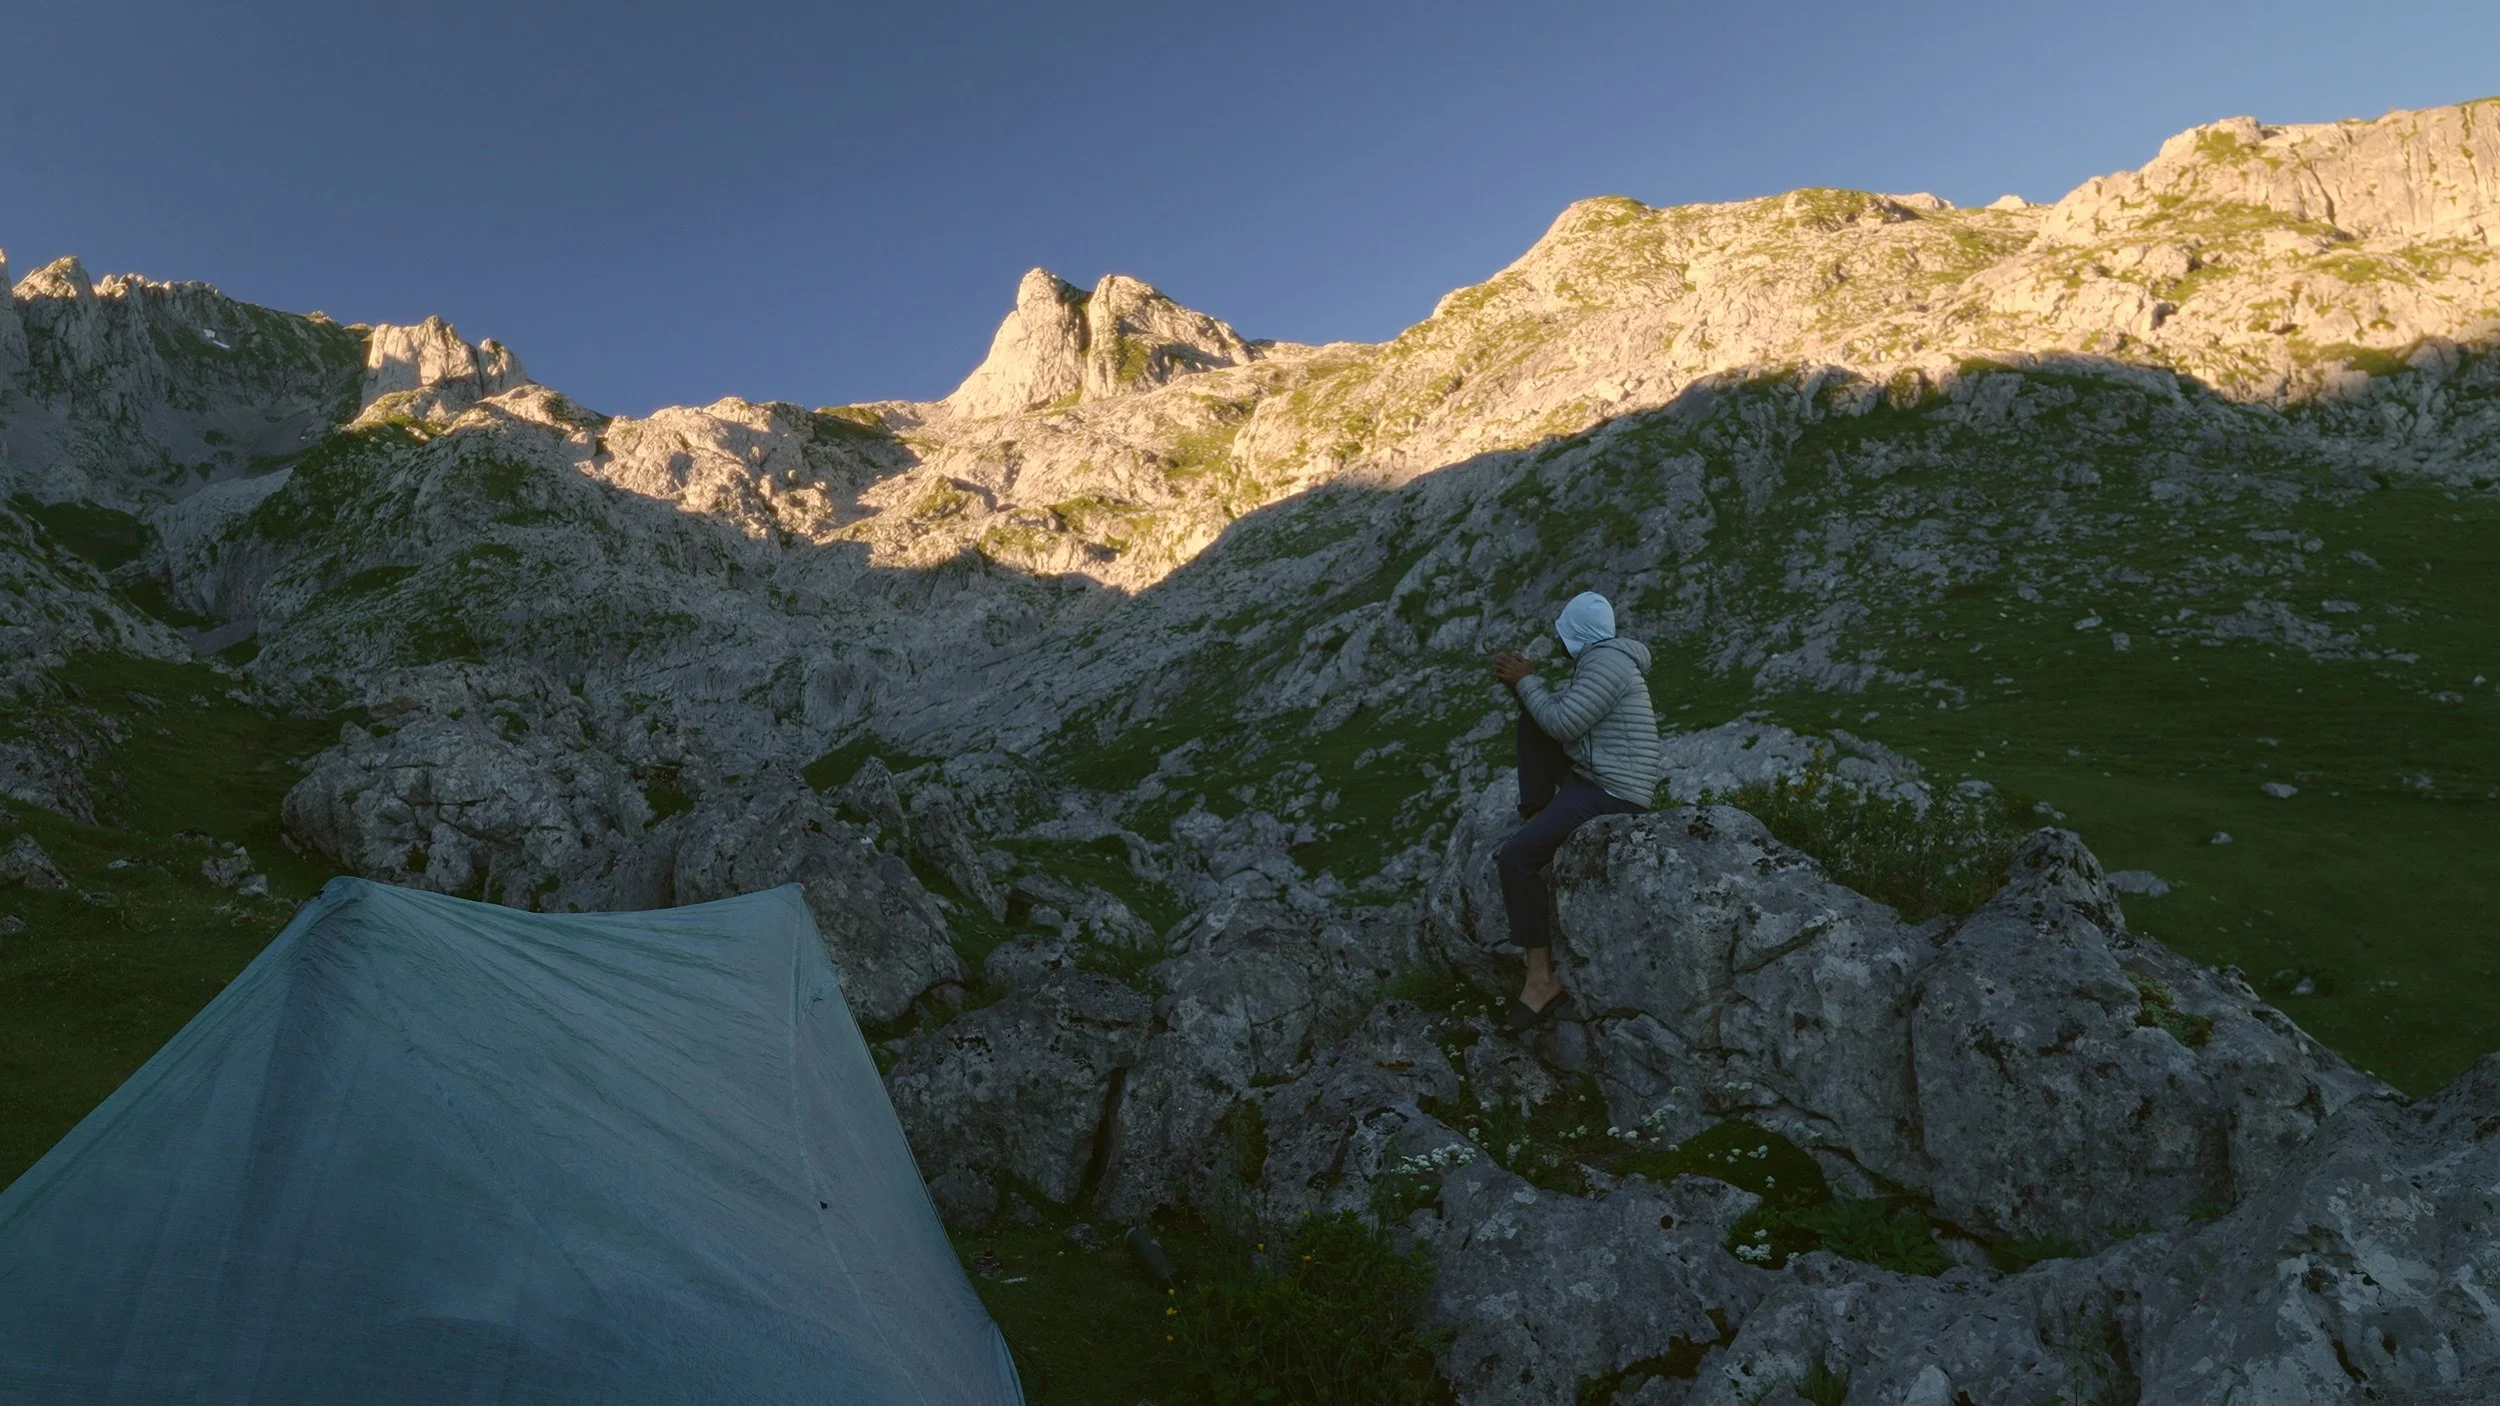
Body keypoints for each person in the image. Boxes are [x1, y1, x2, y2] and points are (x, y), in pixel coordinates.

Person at [1488, 591, 1664, 1033]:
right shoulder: (1604, 659)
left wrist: (1526, 681)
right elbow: (1559, 721)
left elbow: (1564, 724)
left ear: (1574, 634)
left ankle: (1540, 980)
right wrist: (1523, 688)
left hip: (1611, 791)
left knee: (1516, 859)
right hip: (1596, 776)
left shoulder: (1607, 662)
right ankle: (1539, 813)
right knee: (1531, 716)